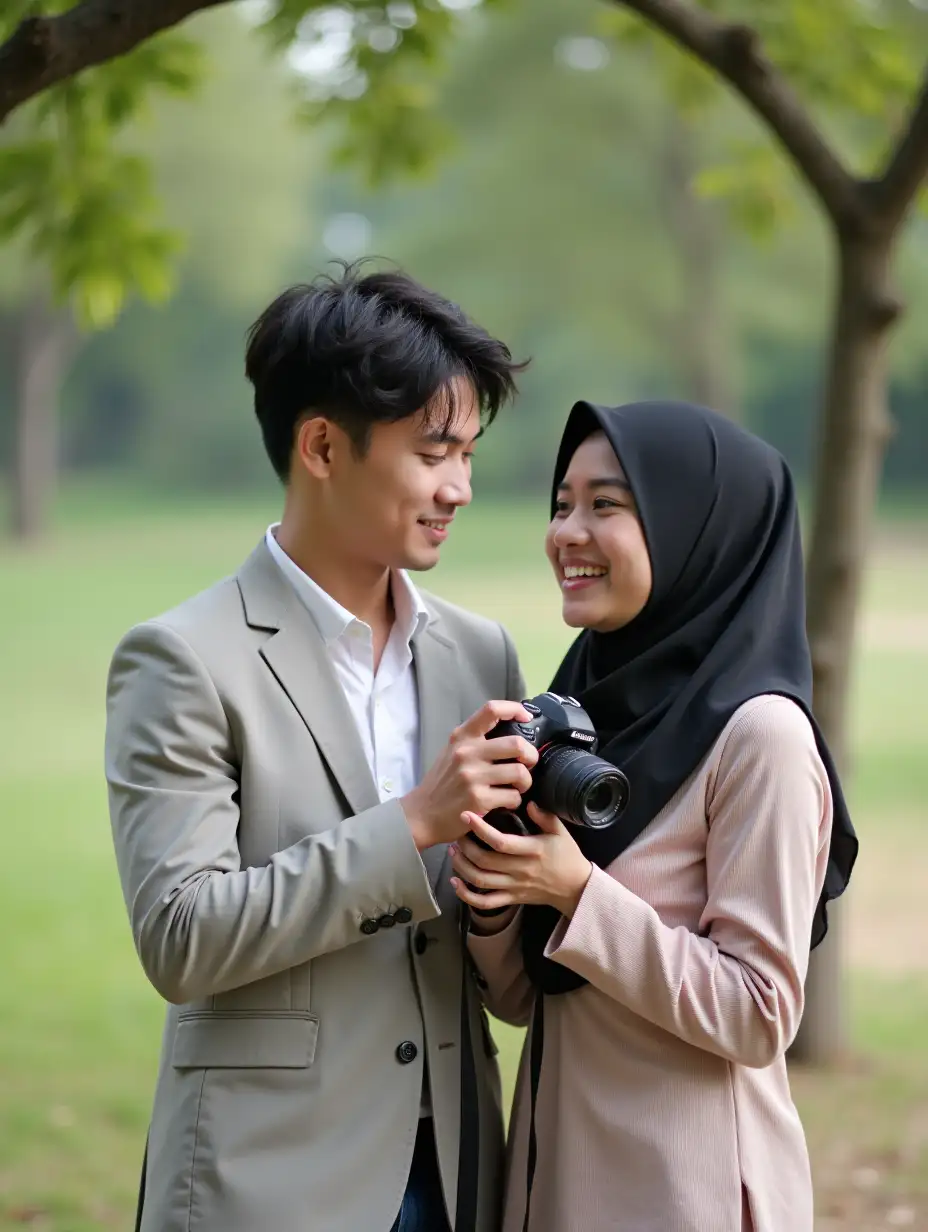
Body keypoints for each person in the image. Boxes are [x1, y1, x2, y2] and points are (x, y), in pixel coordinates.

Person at [105, 264, 539, 1232]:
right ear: (321, 446)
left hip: (459, 1166)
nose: (459, 488)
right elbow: (182, 935)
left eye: (467, 454)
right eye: (435, 452)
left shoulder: (481, 652)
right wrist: (413, 823)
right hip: (269, 1180)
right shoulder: (182, 659)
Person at [451, 400, 858, 1232]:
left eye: (607, 504)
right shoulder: (581, 712)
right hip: (557, 1175)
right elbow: (532, 1001)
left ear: (695, 532)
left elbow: (759, 1014)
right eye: (562, 503)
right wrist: (493, 892)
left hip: (686, 1189)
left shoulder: (761, 737)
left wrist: (576, 894)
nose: (567, 531)